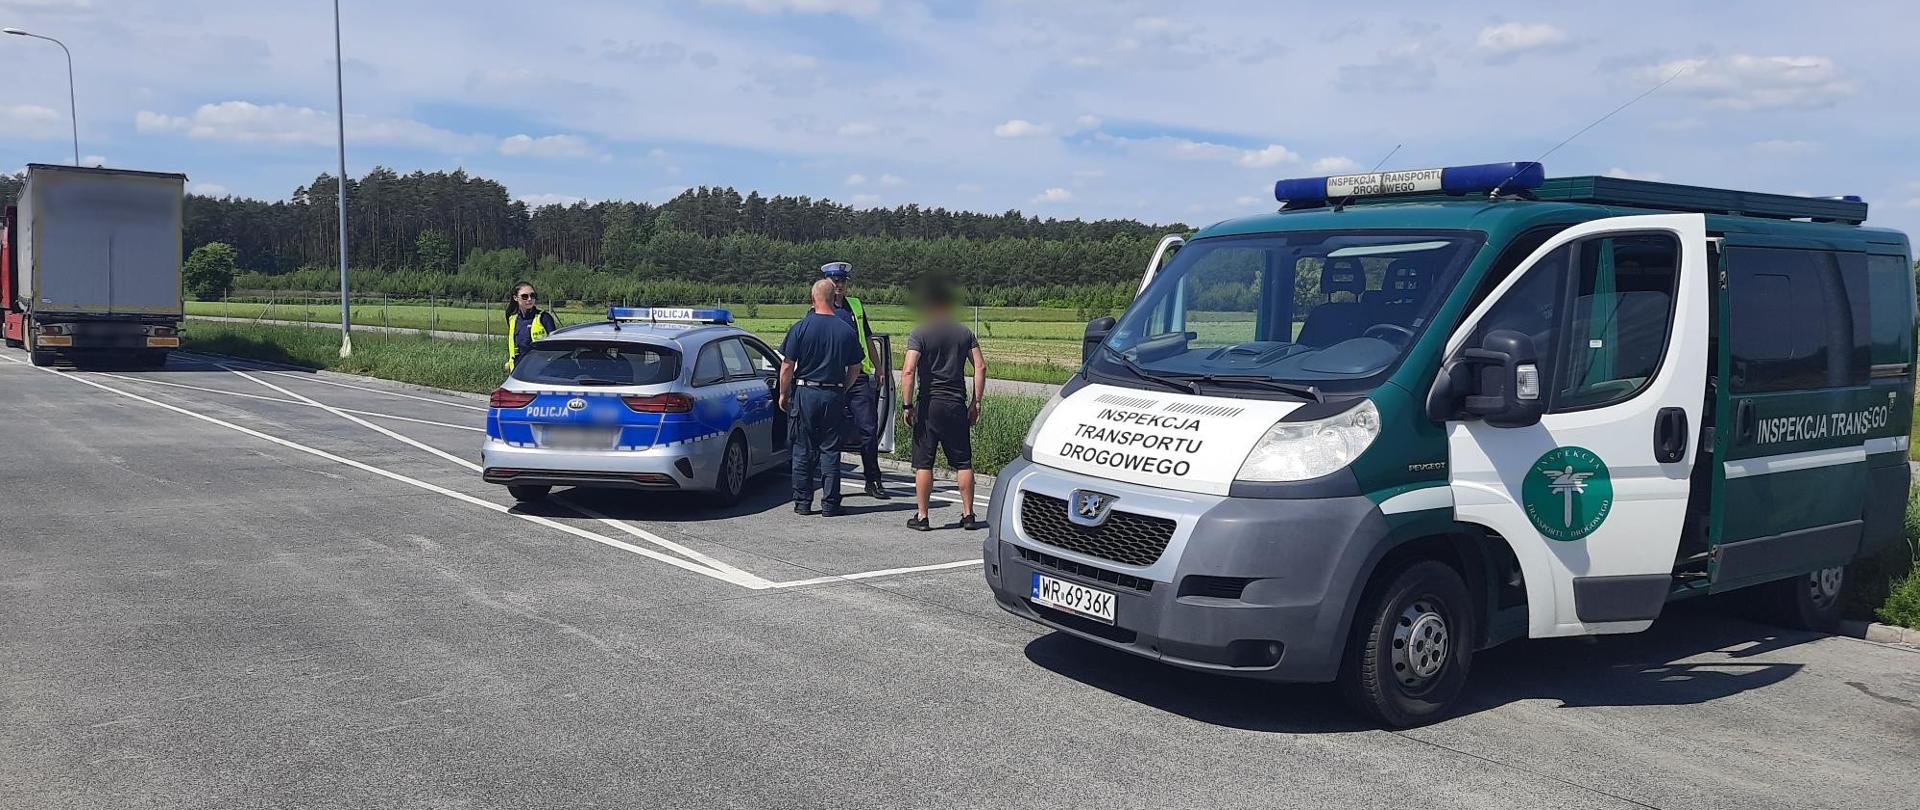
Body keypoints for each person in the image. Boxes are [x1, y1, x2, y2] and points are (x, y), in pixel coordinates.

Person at [899, 280, 986, 531]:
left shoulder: (920, 334)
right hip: (956, 403)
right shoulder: (965, 333)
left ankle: (923, 516)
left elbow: (908, 370)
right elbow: (980, 366)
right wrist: (976, 402)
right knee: (963, 461)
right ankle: (968, 514)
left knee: (924, 462)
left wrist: (907, 405)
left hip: (929, 404)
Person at [779, 278, 864, 517]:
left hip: (806, 393)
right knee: (830, 450)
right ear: (833, 298)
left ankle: (802, 503)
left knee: (802, 450)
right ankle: (830, 503)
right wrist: (843, 388)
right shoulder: (846, 330)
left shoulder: (801, 327)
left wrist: (784, 394)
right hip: (833, 394)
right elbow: (856, 367)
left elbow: (787, 366)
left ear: (812, 297)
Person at [821, 261, 890, 500]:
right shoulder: (820, 307)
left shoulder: (856, 306)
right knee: (831, 432)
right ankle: (830, 486)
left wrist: (879, 368)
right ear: (826, 283)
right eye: (835, 281)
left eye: (842, 281)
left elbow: (868, 338)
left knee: (868, 429)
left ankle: (873, 480)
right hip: (832, 378)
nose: (839, 285)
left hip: (859, 376)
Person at [503, 281, 558, 372]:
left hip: (540, 370)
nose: (529, 299)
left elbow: (555, 345)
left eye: (532, 295)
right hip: (518, 369)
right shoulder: (513, 319)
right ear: (515, 298)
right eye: (525, 296)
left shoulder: (544, 317)